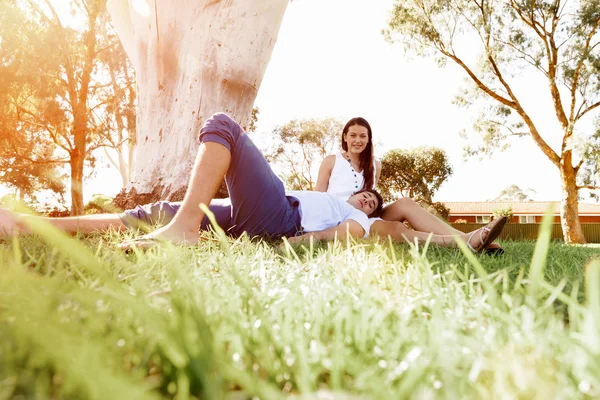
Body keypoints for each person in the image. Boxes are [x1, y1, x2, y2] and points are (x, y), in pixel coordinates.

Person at [0, 113, 506, 251]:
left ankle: (183, 229)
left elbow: (400, 229)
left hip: (278, 218)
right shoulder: (334, 185)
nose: (368, 197)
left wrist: (457, 239)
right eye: (366, 194)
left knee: (223, 125)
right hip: (269, 209)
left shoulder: (358, 220)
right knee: (152, 212)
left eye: (373, 198)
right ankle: (29, 226)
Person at [314, 116, 505, 254]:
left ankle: (472, 237)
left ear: (369, 139)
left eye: (363, 136)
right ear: (345, 137)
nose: (358, 140)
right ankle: (468, 242)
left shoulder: (375, 165)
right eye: (353, 135)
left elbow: (374, 201)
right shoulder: (331, 161)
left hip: (365, 214)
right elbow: (317, 199)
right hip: (341, 217)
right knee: (396, 229)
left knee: (405, 202)